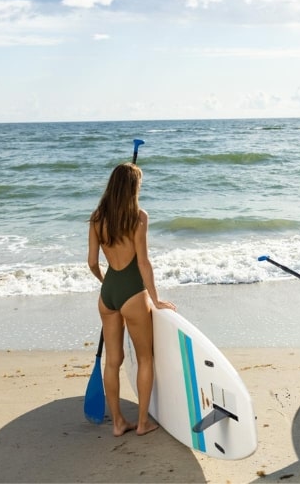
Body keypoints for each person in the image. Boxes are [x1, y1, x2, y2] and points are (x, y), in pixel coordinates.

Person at [88, 162, 176, 436]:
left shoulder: (97, 217)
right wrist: (156, 299)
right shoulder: (138, 217)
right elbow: (143, 264)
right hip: (133, 295)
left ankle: (117, 423)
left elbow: (92, 262)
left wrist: (108, 284)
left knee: (113, 361)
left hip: (108, 295)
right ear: (132, 188)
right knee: (145, 358)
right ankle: (142, 423)